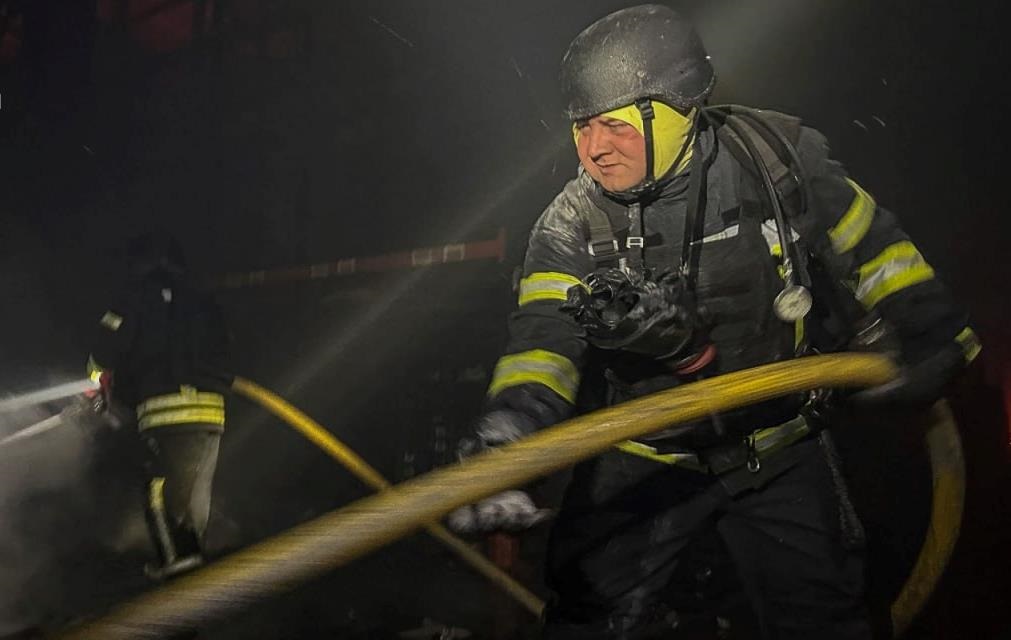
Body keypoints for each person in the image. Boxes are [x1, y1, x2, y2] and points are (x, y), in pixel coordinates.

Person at [448, 5, 980, 639]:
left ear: (681, 110)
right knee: (588, 620)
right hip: (645, 455)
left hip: (780, 446)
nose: (594, 149)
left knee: (826, 622)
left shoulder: (777, 160)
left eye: (615, 124)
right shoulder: (570, 225)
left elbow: (875, 249)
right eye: (581, 126)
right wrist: (509, 439)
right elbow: (542, 342)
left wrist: (934, 333)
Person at [87, 232, 230, 579]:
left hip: (165, 410)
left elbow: (105, 348)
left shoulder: (133, 296)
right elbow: (224, 343)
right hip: (212, 409)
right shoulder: (201, 297)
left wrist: (96, 380)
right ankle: (194, 560)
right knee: (193, 493)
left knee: (157, 491)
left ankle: (174, 564)